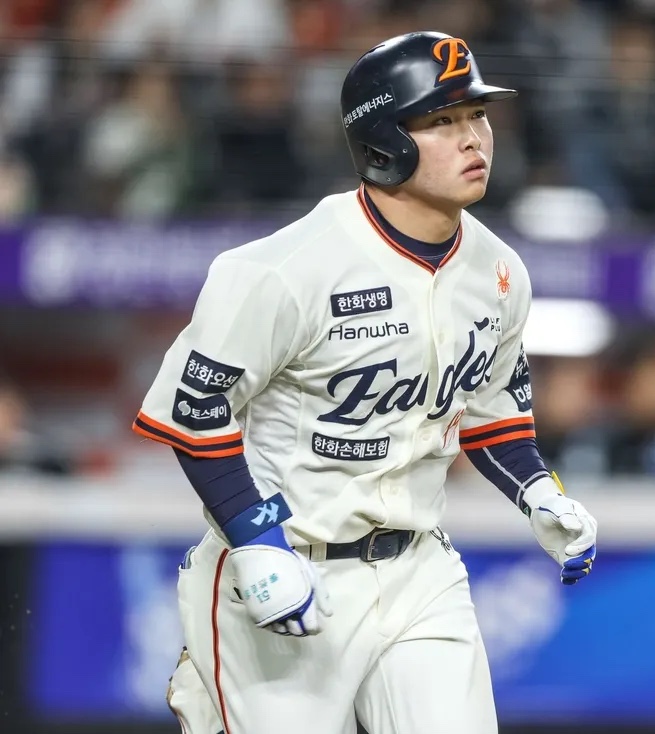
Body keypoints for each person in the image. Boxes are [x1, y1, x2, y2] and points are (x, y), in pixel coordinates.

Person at [132, 31, 599, 734]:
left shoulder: (501, 272)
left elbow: (493, 410)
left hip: (420, 570)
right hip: (289, 565)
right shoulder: (284, 268)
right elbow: (194, 410)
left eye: (477, 114)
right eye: (441, 120)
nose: (473, 137)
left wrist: (539, 492)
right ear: (384, 140)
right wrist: (255, 539)